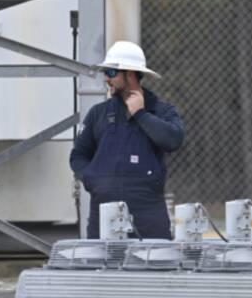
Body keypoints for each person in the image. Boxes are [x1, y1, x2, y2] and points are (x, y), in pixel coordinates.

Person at [69, 41, 184, 239]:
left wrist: (141, 114)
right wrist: (94, 180)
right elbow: (78, 155)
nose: (106, 78)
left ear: (129, 74)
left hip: (148, 213)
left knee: (153, 264)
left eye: (111, 73)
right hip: (103, 215)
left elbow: (173, 140)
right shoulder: (99, 113)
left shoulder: (162, 111)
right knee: (101, 267)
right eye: (105, 72)